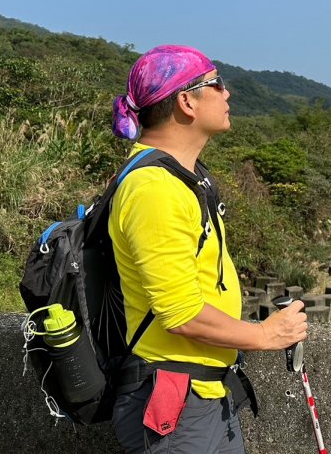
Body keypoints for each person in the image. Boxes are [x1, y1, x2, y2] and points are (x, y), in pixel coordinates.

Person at [108, 45, 308, 453]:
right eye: (217, 84)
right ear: (187, 102)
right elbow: (180, 313)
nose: (227, 93)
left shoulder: (182, 177)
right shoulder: (154, 188)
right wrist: (265, 334)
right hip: (176, 403)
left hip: (202, 392)